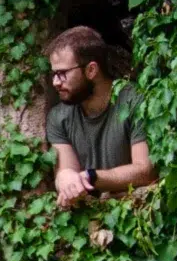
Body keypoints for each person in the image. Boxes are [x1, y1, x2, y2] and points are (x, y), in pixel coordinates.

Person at [44, 26, 155, 207]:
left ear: (91, 70)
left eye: (62, 74)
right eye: (53, 74)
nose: (55, 82)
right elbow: (66, 170)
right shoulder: (59, 116)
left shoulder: (134, 101)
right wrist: (65, 179)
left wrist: (92, 177)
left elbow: (145, 171)